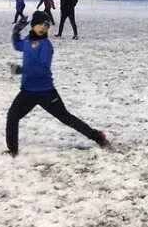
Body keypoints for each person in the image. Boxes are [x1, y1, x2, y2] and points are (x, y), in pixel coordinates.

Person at [6, 11, 109, 156]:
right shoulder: (28, 41)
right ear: (34, 24)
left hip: (45, 92)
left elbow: (43, 68)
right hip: (28, 91)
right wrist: (17, 29)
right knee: (12, 116)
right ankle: (12, 150)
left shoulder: (46, 45)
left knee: (65, 117)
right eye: (41, 24)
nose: (44, 28)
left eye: (47, 26)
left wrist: (21, 70)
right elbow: (17, 44)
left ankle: (97, 136)